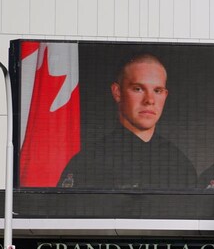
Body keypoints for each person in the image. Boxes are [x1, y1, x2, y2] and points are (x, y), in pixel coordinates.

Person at [60, 52, 198, 189]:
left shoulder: (181, 165)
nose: (149, 100)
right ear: (117, 92)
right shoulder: (88, 163)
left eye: (157, 90)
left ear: (165, 95)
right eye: (138, 89)